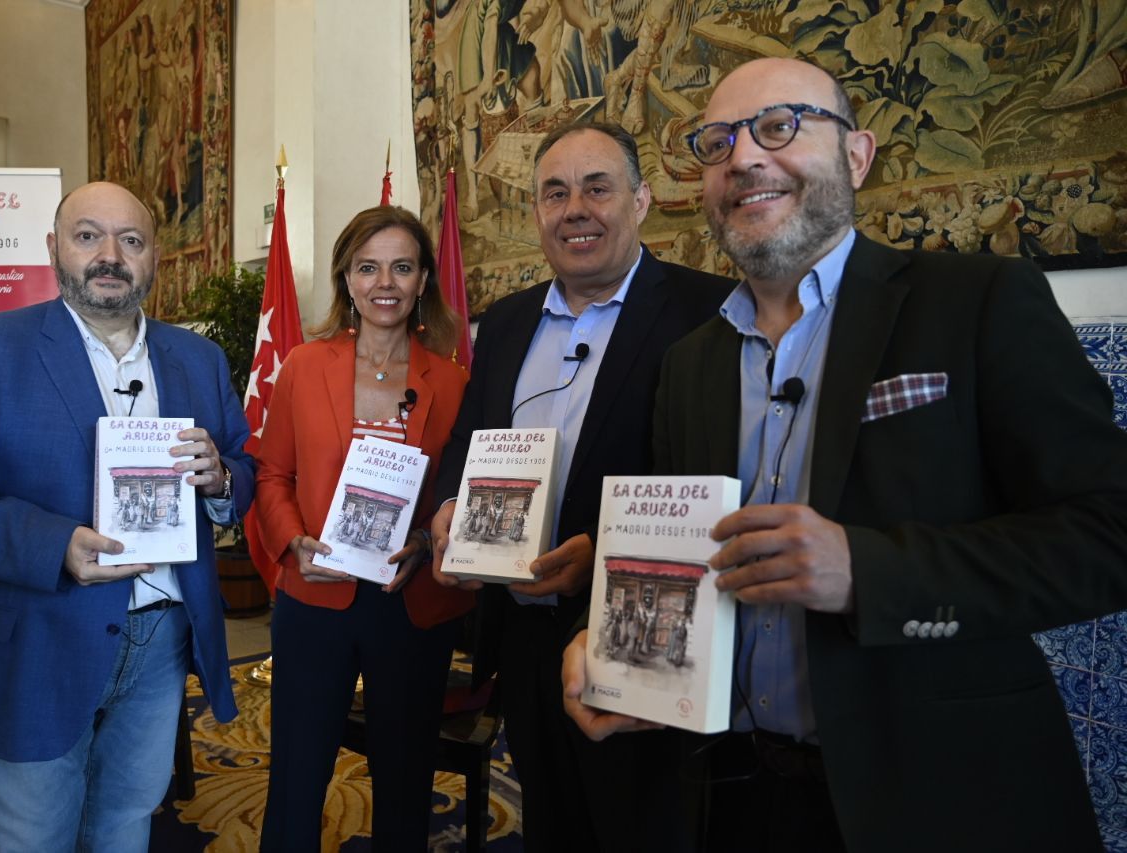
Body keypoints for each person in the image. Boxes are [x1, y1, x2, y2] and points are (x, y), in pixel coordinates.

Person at [561, 57, 1127, 852]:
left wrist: (868, 571)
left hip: (940, 795)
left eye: (780, 125)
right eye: (718, 141)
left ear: (856, 156)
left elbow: (1109, 533)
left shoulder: (980, 301)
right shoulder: (689, 363)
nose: (746, 157)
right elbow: (672, 558)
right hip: (732, 797)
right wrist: (613, 638)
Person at [0, 181, 256, 852]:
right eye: (89, 236)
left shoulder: (197, 358)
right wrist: (52, 544)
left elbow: (243, 465)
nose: (109, 255)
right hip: (31, 642)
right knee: (28, 838)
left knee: (124, 826)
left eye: (130, 241)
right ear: (54, 248)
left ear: (154, 258)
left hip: (159, 641)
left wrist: (223, 476)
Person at [430, 121, 732, 852]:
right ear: (535, 212)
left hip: (642, 625)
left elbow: (725, 470)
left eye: (597, 188)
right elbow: (466, 446)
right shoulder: (503, 323)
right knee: (553, 821)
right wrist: (447, 508)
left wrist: (598, 553)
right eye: (555, 193)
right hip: (521, 634)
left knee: (645, 825)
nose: (575, 209)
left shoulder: (711, 311)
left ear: (642, 200)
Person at [254, 205, 475, 852]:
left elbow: (460, 493)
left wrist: (429, 544)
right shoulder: (303, 365)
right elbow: (272, 475)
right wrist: (294, 542)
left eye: (402, 266)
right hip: (316, 597)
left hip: (409, 604)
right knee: (298, 770)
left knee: (405, 776)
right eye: (368, 266)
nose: (385, 282)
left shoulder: (455, 381)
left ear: (423, 279)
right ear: (346, 279)